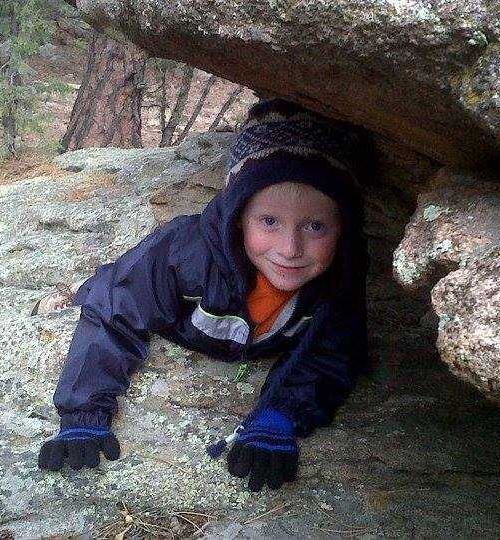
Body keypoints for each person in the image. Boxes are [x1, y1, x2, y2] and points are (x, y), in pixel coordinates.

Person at [37, 98, 371, 492]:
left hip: (227, 331)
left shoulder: (338, 277)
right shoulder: (183, 253)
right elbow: (114, 312)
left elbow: (334, 351)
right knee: (100, 291)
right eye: (269, 221)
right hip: (146, 297)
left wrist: (278, 416)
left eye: (315, 226)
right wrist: (83, 417)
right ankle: (67, 292)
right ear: (238, 216)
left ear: (343, 227)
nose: (290, 248)